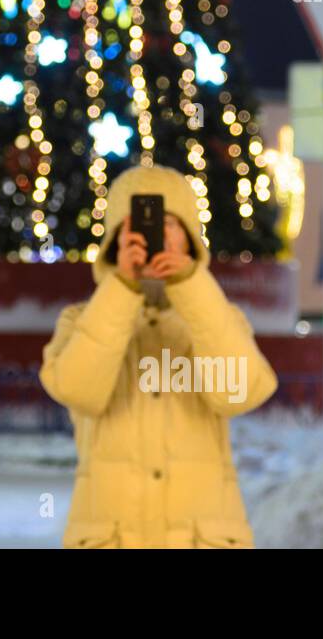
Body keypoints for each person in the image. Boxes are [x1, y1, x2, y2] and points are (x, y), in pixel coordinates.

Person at [40, 164, 278, 548]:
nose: (157, 236)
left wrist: (191, 287)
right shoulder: (80, 320)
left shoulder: (219, 319)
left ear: (190, 239)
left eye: (170, 224)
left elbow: (239, 394)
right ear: (117, 238)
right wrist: (122, 287)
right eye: (142, 225)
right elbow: (78, 391)